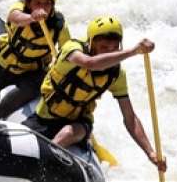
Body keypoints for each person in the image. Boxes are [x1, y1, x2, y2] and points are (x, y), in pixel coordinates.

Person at [23, 16, 166, 174]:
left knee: (67, 134)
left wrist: (150, 153)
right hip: (46, 116)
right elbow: (91, 64)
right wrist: (133, 51)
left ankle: (41, 171)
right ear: (90, 43)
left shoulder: (117, 75)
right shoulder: (72, 50)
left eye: (114, 47)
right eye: (104, 47)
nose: (110, 52)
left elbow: (130, 119)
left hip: (79, 123)